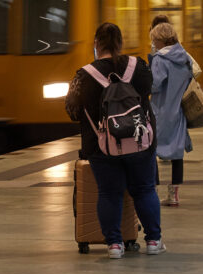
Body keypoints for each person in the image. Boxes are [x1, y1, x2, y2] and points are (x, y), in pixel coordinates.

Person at [64, 22, 165, 259]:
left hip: (102, 147)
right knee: (144, 189)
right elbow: (150, 89)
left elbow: (72, 111)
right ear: (120, 43)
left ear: (97, 45)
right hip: (140, 142)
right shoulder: (138, 67)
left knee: (109, 193)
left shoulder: (84, 75)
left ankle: (114, 245)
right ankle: (153, 240)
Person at [149, 21, 195, 207]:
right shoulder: (185, 57)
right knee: (177, 154)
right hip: (178, 111)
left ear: (160, 40)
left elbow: (154, 85)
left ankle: (153, 190)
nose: (153, 43)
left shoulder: (160, 60)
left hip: (160, 111)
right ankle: (174, 194)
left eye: (154, 40)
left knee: (151, 150)